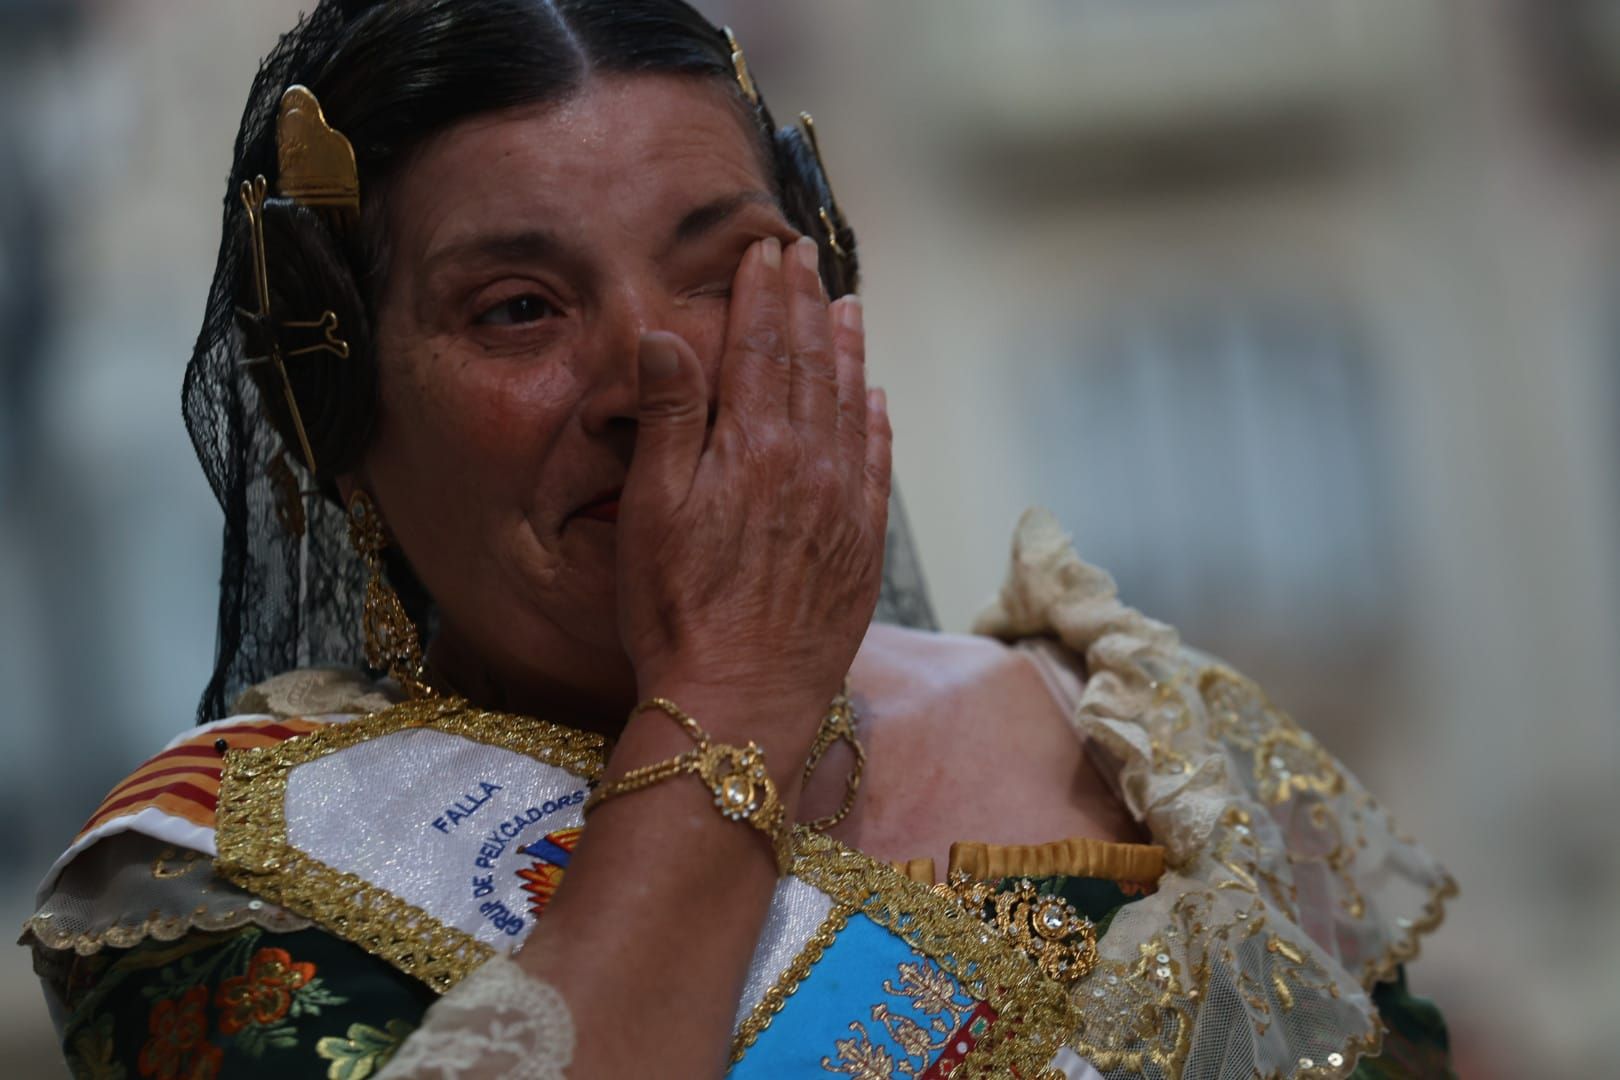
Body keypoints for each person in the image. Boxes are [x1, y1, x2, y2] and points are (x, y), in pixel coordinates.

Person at [22, 2, 1458, 1076]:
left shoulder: (1149, 735)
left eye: (726, 274)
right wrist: (730, 711)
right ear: (340, 420)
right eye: (518, 308)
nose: (656, 377)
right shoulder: (223, 867)